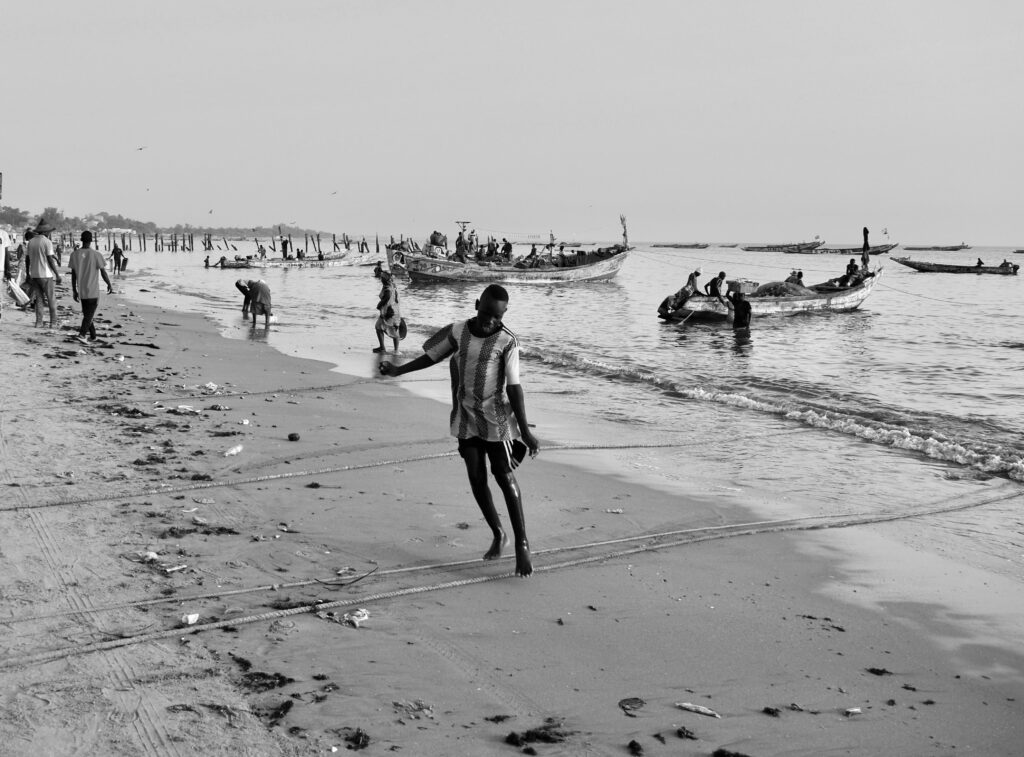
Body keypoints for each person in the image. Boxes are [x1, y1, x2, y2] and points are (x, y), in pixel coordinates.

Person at [378, 284, 540, 577]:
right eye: (486, 313)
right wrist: (397, 371)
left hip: (496, 420)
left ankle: (522, 543)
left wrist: (525, 432)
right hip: (465, 416)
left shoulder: (508, 341)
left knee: (503, 475)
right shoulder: (457, 331)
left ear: (503, 314)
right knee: (477, 478)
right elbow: (431, 356)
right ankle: (498, 533)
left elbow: (515, 388)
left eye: (496, 316)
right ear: (477, 303)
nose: (490, 320)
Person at [69, 231, 113, 344]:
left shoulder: (74, 255)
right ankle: (82, 334)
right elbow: (103, 272)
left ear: (82, 240)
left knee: (88, 314)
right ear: (91, 240)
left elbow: (73, 274)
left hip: (82, 291)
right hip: (93, 291)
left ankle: (93, 336)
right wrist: (109, 284)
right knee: (89, 315)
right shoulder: (96, 254)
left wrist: (74, 290)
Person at [25, 219, 63, 328]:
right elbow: (50, 259)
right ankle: (53, 323)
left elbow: (27, 259)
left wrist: (28, 273)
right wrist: (57, 274)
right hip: (46, 275)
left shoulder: (31, 242)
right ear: (46, 232)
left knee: (39, 299)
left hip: (35, 274)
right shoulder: (47, 242)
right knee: (51, 298)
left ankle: (39, 322)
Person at [373, 265, 403, 353]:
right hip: (395, 311)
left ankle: (383, 348)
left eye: (382, 279)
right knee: (394, 329)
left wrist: (379, 304)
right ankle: (396, 350)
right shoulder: (393, 285)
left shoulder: (388, 288)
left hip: (389, 312)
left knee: (378, 327)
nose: (381, 280)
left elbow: (388, 296)